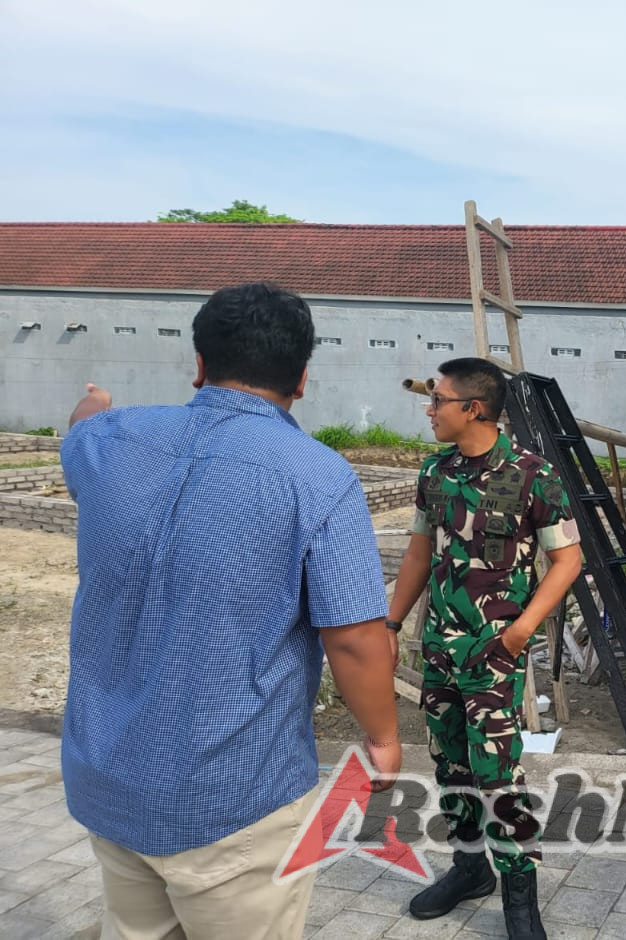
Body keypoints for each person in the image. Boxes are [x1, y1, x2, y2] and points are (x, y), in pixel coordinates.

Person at [60, 282, 400, 940]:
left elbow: (79, 431)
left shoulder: (106, 441)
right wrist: (384, 740)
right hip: (232, 801)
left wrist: (94, 403)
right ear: (302, 380)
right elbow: (355, 639)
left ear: (199, 364)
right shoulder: (320, 478)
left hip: (108, 781)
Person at [387, 357, 582, 940]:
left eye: (438, 400)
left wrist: (520, 632)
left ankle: (520, 899)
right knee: (450, 765)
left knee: (498, 775)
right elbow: (421, 552)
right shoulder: (434, 472)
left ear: (472, 407)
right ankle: (470, 869)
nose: (429, 409)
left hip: (494, 655)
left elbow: (567, 559)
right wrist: (393, 622)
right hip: (441, 651)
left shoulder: (532, 474)